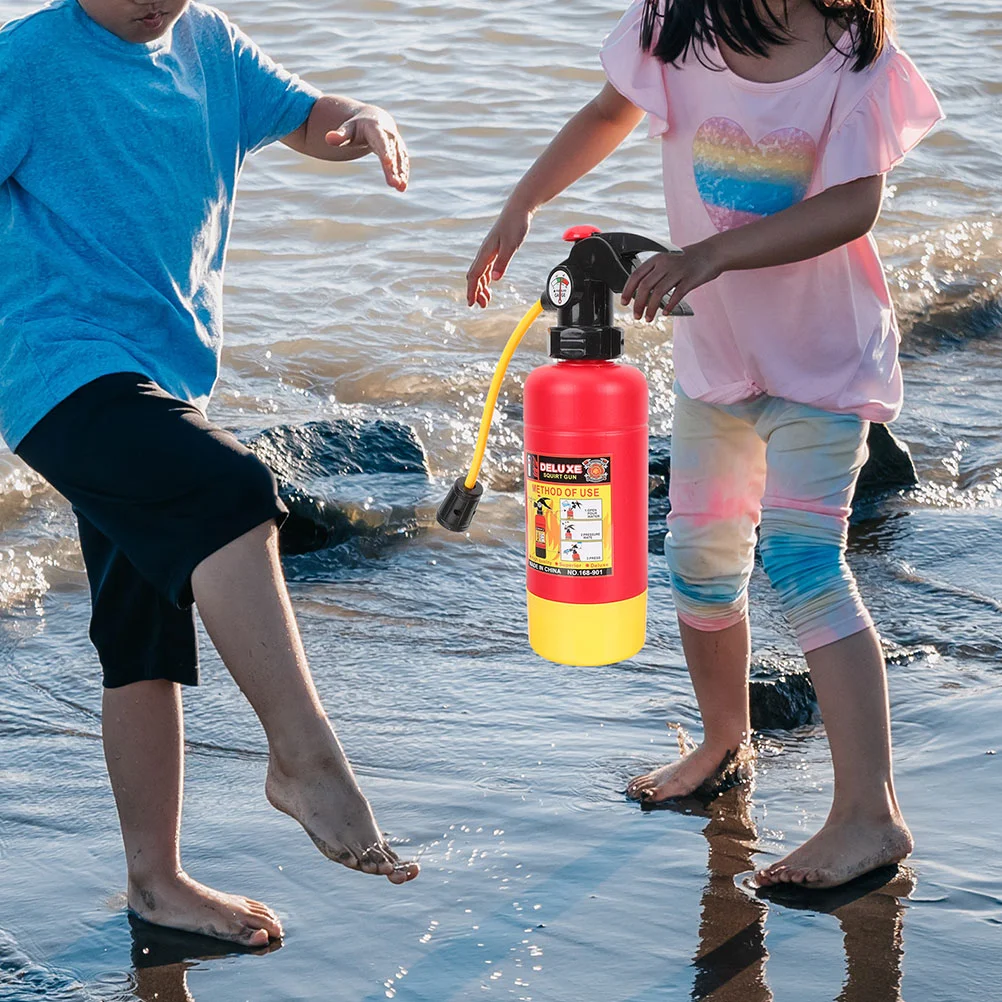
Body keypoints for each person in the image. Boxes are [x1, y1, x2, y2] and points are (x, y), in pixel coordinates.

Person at [467, 0, 942, 889]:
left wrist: (712, 258)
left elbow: (854, 205)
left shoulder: (855, 54)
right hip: (718, 361)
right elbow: (612, 110)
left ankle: (870, 814)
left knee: (804, 564)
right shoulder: (675, 24)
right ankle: (726, 742)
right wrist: (524, 202)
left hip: (821, 361)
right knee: (700, 564)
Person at [0, 0, 419, 947]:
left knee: (142, 629)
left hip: (161, 376)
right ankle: (304, 758)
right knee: (229, 491)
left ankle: (158, 883)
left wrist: (364, 123)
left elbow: (309, 116)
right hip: (53, 366)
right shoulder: (26, 63)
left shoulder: (209, 45)